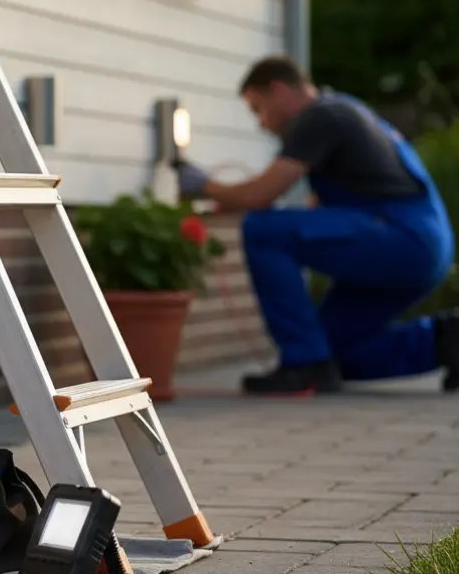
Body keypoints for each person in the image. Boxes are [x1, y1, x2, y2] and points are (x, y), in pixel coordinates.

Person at [175, 56, 458, 395]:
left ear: (278, 90)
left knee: (261, 230)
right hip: (422, 242)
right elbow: (317, 211)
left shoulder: (319, 117)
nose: (261, 124)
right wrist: (236, 199)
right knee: (334, 350)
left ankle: (302, 365)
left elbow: (262, 196)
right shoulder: (345, 109)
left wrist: (202, 185)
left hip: (404, 238)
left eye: (258, 109)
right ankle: (448, 341)